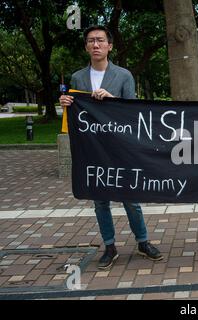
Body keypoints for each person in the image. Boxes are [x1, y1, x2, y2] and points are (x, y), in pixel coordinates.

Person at [59, 25, 163, 270]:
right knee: (100, 201)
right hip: (93, 150)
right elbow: (76, 115)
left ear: (110, 46)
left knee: (130, 198)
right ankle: (110, 246)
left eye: (100, 40)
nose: (95, 45)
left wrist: (113, 100)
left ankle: (143, 241)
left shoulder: (124, 75)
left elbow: (133, 112)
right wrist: (65, 103)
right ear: (86, 46)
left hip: (120, 147)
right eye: (91, 41)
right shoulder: (77, 77)